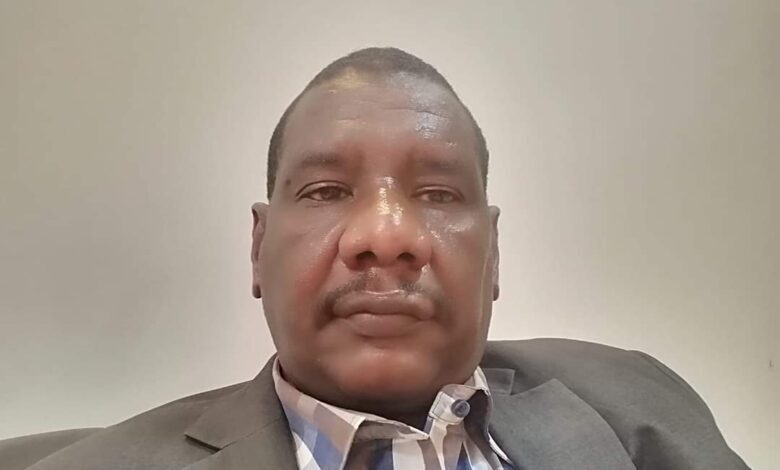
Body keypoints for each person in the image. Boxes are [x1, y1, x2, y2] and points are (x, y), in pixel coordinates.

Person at [0, 47, 748, 470]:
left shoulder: (632, 397)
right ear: (259, 248)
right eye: (326, 191)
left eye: (438, 193)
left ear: (493, 256)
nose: (386, 236)